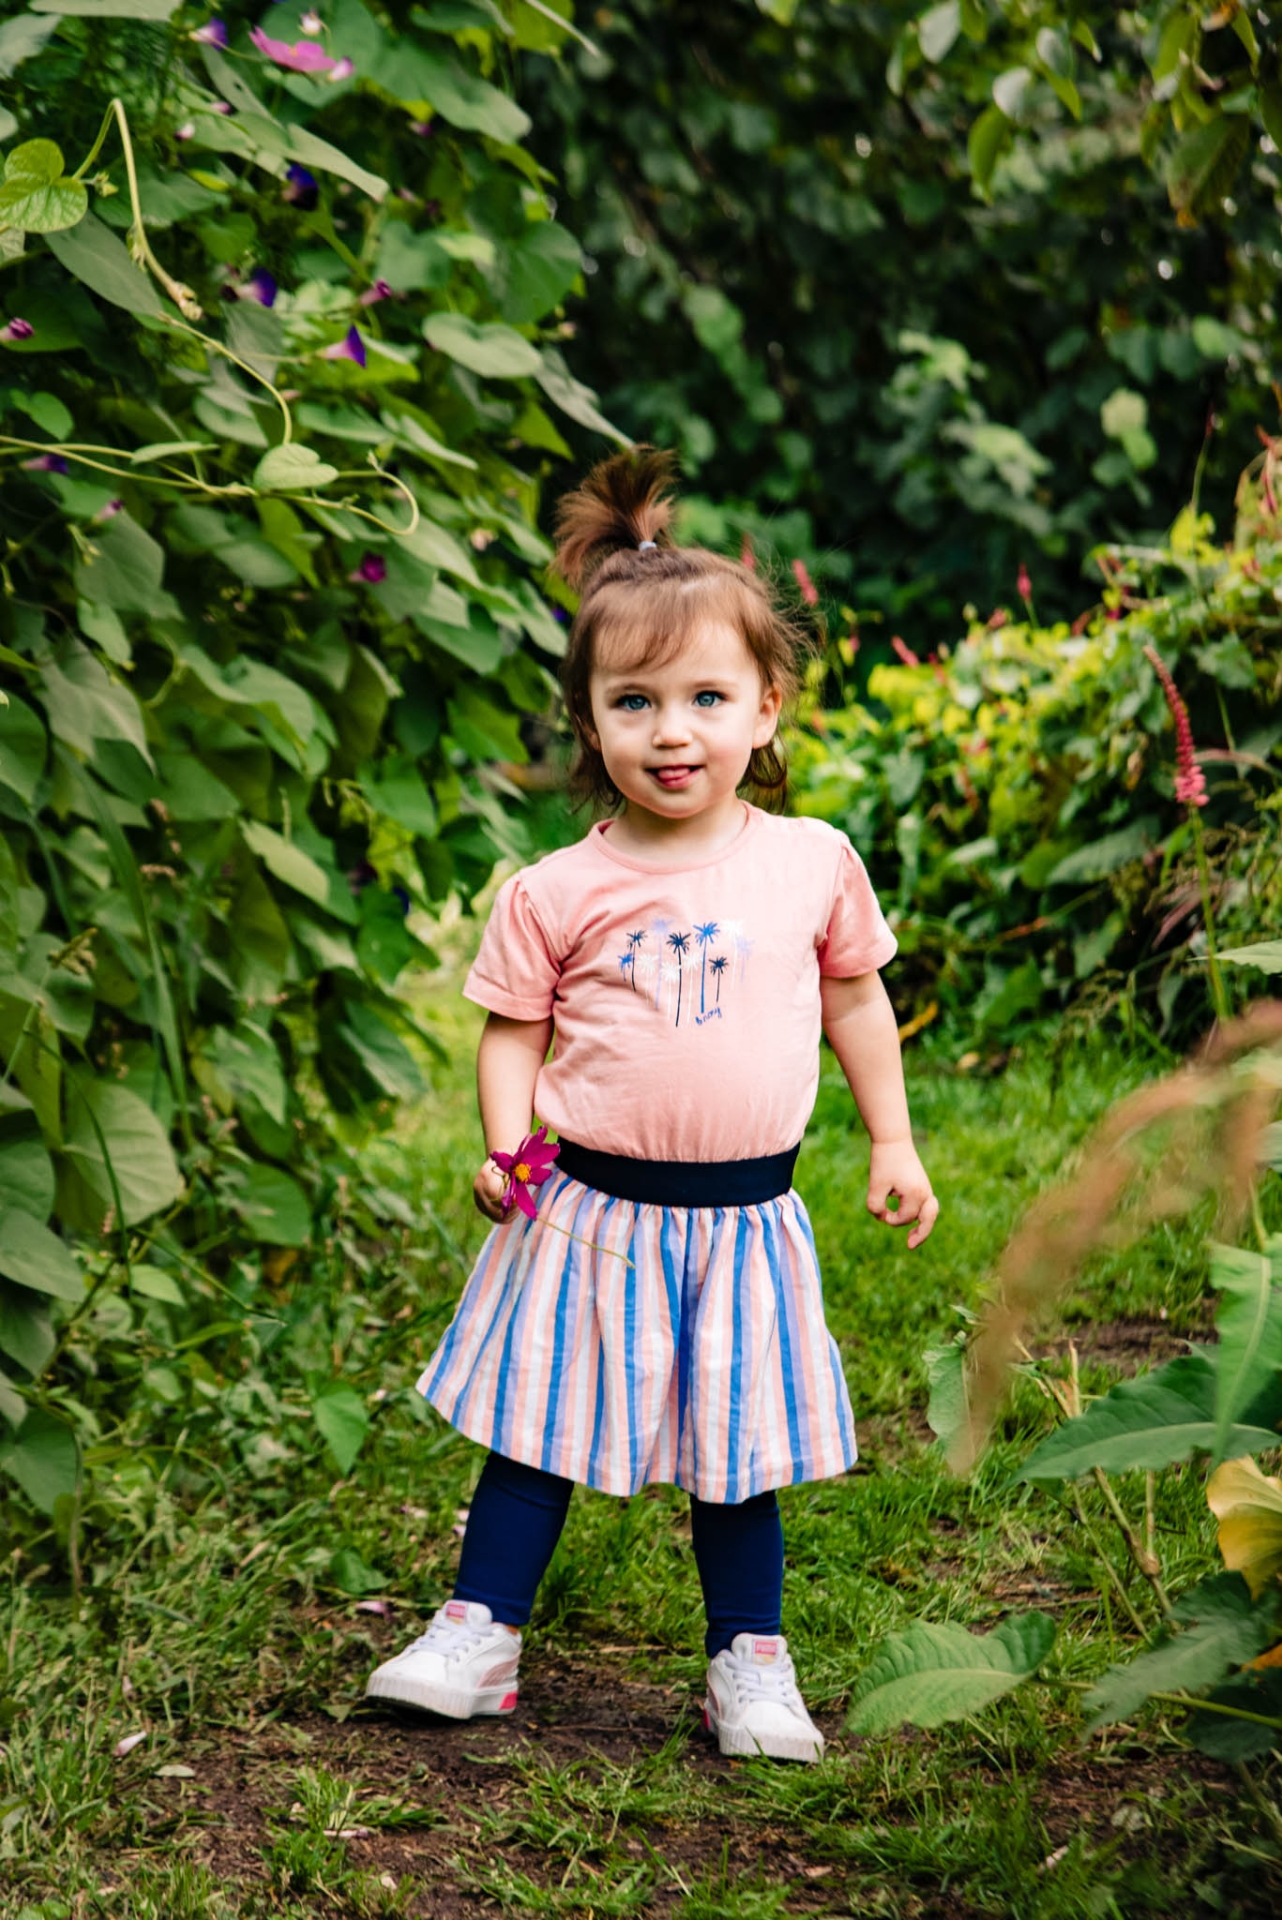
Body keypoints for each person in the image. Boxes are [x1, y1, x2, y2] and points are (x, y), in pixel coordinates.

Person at [366, 444, 938, 1761]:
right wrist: (505, 1146)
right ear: (590, 722)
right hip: (587, 1214)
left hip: (744, 1221)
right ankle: (479, 1631)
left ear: (765, 710)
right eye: (633, 702)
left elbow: (857, 1001)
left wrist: (893, 1139)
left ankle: (749, 1660)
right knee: (534, 1427)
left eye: (704, 698)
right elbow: (512, 1031)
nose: (670, 731)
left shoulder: (810, 864)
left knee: (736, 1453)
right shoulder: (556, 890)